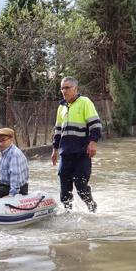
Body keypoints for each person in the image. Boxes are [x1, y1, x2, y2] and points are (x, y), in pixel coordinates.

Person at [51, 77, 101, 213]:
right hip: (65, 154)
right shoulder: (61, 107)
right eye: (62, 88)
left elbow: (96, 125)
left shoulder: (85, 102)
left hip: (82, 154)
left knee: (81, 185)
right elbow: (58, 130)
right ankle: (68, 213)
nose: (64, 91)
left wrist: (93, 143)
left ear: (75, 89)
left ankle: (92, 207)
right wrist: (55, 150)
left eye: (67, 88)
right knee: (64, 188)